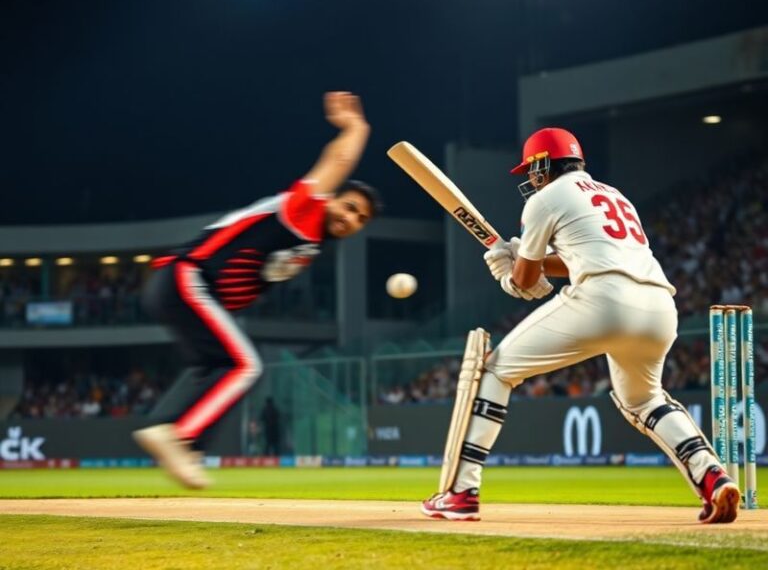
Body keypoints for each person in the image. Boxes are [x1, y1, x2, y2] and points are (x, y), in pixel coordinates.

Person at [421, 128, 740, 524]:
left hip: (603, 299)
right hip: (659, 306)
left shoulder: (544, 198)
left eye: (531, 170)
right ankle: (712, 475)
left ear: (541, 166)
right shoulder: (614, 195)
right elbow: (576, 258)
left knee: (496, 369)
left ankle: (461, 491)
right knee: (645, 400)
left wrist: (510, 269)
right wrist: (521, 254)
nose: (529, 179)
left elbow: (524, 282)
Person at [133, 92, 381, 489]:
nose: (351, 219)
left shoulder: (310, 242)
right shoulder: (303, 210)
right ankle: (177, 434)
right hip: (186, 278)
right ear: (332, 199)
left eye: (361, 220)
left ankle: (181, 439)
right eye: (350, 207)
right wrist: (356, 128)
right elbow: (338, 161)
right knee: (246, 365)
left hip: (180, 287)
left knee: (212, 366)